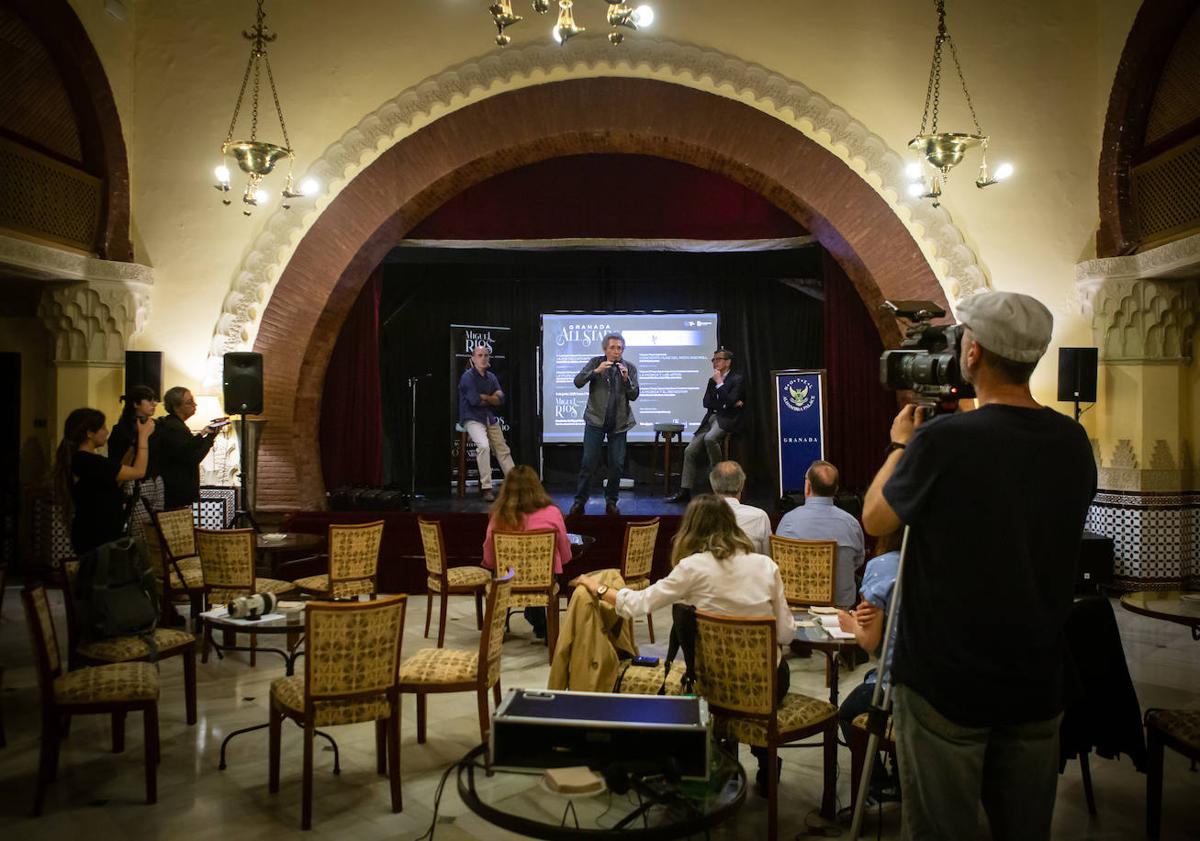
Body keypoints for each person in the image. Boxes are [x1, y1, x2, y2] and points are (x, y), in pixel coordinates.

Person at [861, 290, 1097, 841]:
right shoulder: (1073, 440)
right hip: (1036, 677)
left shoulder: (945, 440)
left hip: (948, 681)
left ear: (972, 354)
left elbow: (876, 518)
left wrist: (901, 446)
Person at [573, 494, 792, 795]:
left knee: (685, 619)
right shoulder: (766, 566)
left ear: (692, 528)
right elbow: (786, 634)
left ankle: (708, 759)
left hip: (712, 684)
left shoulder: (692, 568)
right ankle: (765, 759)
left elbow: (638, 604)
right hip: (767, 686)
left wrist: (596, 586)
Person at [836, 528, 903, 803]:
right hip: (943, 682)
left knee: (846, 713)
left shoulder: (884, 567)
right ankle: (901, 775)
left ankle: (878, 783)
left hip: (896, 684)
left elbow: (870, 641)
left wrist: (853, 625)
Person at [482, 464, 572, 639]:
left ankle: (515, 622)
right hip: (542, 580)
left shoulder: (498, 516)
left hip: (507, 579)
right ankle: (539, 620)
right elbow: (565, 552)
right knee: (540, 573)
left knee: (507, 574)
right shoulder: (553, 513)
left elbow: (489, 555)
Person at [54, 407, 154, 556]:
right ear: (89, 433)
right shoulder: (88, 461)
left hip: (95, 534)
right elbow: (139, 472)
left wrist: (133, 448)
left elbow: (116, 479)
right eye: (102, 427)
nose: (107, 431)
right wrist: (144, 438)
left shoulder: (83, 460)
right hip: (97, 537)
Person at [775, 460, 864, 607]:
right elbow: (857, 561)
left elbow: (780, 564)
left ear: (808, 487)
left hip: (796, 606)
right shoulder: (851, 524)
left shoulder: (788, 521)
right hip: (839, 609)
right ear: (836, 490)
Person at [569, 333, 639, 517]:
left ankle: (611, 502)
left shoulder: (629, 368)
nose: (616, 351)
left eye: (620, 348)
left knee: (616, 464)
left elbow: (634, 395)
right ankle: (580, 501)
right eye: (613, 348)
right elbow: (577, 382)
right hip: (595, 421)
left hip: (619, 423)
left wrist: (627, 380)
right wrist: (596, 372)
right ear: (605, 349)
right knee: (588, 462)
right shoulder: (595, 362)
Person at [667, 347, 745, 503]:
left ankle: (718, 481)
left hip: (726, 420)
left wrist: (720, 385)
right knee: (689, 451)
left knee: (710, 438)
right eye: (714, 360)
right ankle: (685, 490)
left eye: (719, 359)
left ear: (728, 362)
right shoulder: (712, 380)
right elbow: (707, 402)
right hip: (710, 418)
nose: (715, 362)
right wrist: (726, 402)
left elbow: (729, 401)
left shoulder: (737, 379)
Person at [458, 344, 516, 502]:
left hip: (488, 417)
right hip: (471, 417)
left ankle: (516, 485)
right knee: (483, 446)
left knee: (503, 449)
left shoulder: (491, 377)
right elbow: (474, 400)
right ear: (473, 359)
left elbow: (501, 399)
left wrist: (486, 398)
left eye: (485, 355)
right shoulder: (467, 377)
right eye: (480, 355)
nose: (483, 358)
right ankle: (487, 487)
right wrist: (491, 399)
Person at [107, 385, 165, 539]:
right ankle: (140, 561)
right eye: (149, 400)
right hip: (135, 482)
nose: (154, 404)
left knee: (158, 527)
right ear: (135, 404)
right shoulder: (121, 429)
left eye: (155, 400)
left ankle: (154, 560)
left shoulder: (157, 426)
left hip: (155, 478)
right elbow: (116, 461)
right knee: (140, 529)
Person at [157, 387, 226, 511]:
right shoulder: (175, 428)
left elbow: (188, 446)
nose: (195, 405)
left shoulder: (174, 424)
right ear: (176, 407)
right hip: (176, 491)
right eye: (189, 402)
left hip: (175, 489)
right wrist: (210, 437)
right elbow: (193, 457)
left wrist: (204, 433)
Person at [708, 460, 771, 555]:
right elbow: (768, 558)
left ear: (713, 486)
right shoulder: (760, 517)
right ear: (742, 485)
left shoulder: (701, 516)